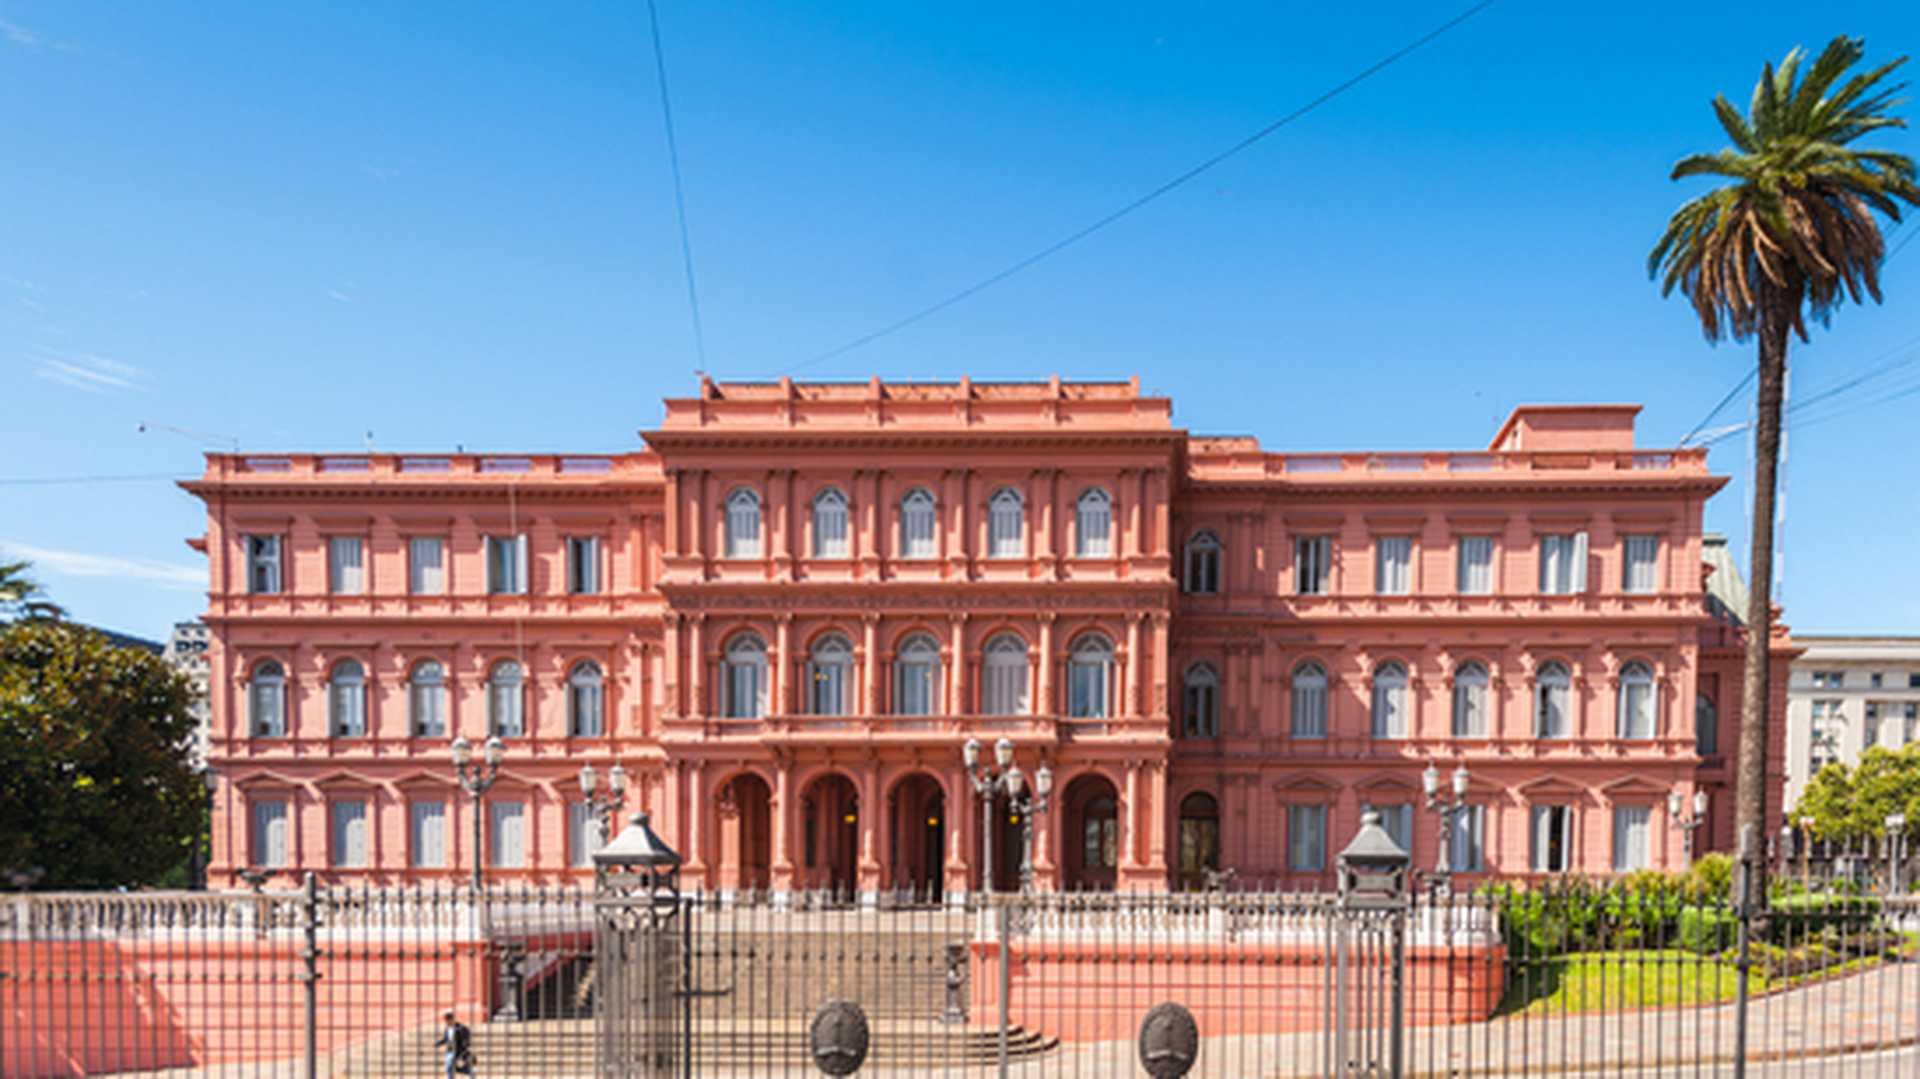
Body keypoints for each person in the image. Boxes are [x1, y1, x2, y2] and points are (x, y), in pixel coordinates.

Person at [434, 1008, 473, 1077]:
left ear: (452, 1019)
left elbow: (467, 1037)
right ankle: (468, 1072)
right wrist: (438, 1043)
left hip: (458, 1050)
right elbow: (446, 1039)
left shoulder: (460, 1028)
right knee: (450, 1068)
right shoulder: (447, 1028)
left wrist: (465, 1044)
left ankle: (467, 1071)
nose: (447, 1021)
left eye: (448, 1018)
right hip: (449, 1050)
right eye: (446, 1019)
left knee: (449, 1066)